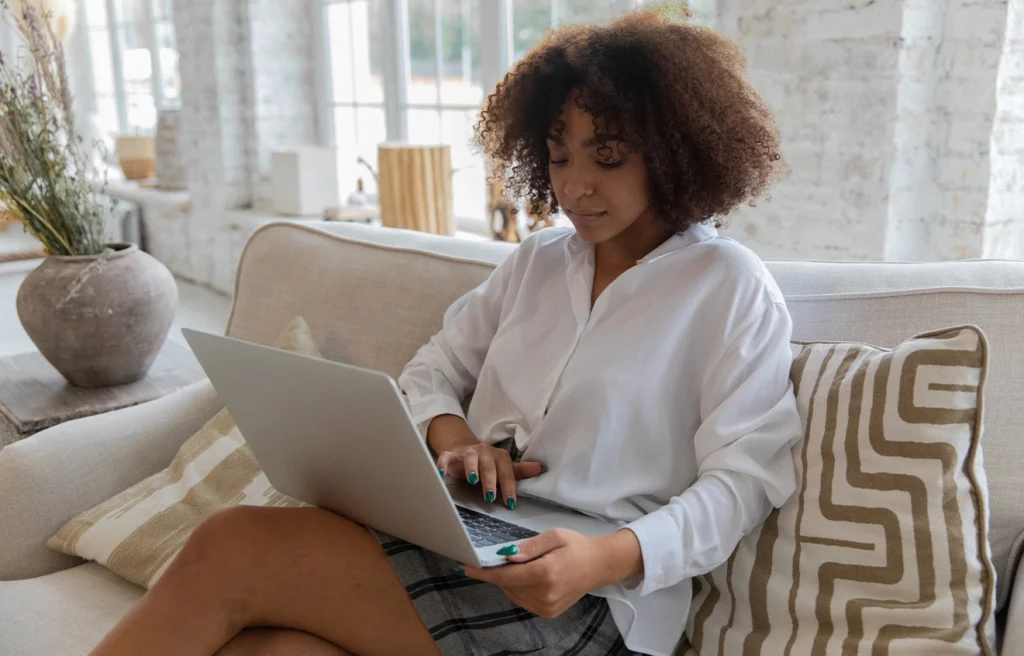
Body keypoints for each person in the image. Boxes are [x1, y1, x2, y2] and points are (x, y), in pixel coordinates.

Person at [91, 10, 802, 656]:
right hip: (465, 535)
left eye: (607, 157)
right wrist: (453, 438)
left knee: (232, 546)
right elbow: (432, 368)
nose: (576, 185)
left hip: (592, 596)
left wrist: (608, 556)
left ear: (677, 153)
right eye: (559, 156)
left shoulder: (728, 286)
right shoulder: (535, 263)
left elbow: (746, 480)